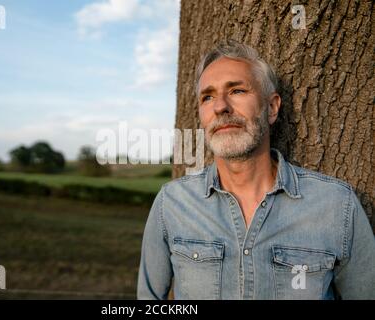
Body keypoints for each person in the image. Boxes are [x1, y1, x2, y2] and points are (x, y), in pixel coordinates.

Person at [137, 39, 375, 300]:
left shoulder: (337, 206)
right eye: (208, 96)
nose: (220, 107)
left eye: (237, 91)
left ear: (271, 108)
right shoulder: (171, 204)